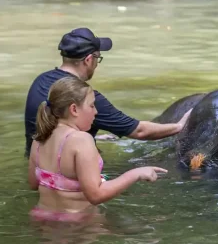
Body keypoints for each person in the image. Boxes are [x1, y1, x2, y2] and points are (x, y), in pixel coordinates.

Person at [24, 27, 192, 158]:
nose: (97, 64)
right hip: (71, 173)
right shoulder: (85, 98)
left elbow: (51, 131)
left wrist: (90, 137)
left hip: (41, 167)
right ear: (89, 60)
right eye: (98, 58)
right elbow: (139, 131)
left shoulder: (40, 81)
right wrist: (179, 126)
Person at [28, 76, 167, 222]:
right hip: (78, 224)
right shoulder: (81, 140)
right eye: (92, 105)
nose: (95, 112)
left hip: (41, 219)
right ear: (74, 109)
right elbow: (96, 196)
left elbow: (33, 184)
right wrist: (135, 174)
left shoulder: (39, 139)